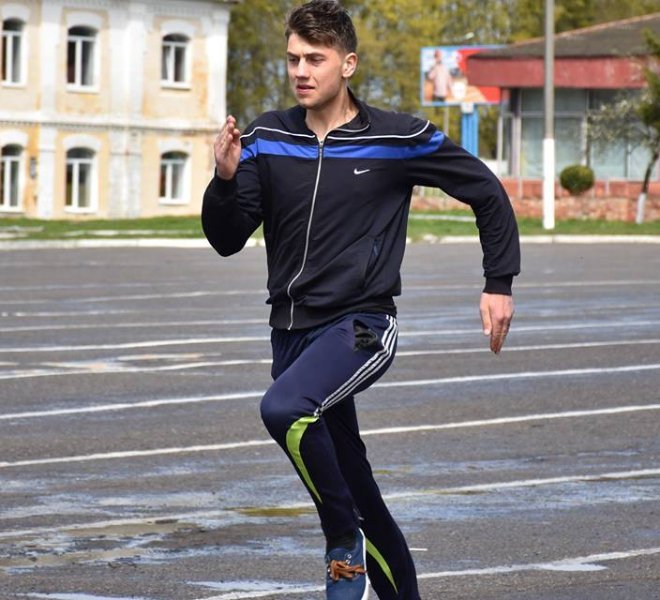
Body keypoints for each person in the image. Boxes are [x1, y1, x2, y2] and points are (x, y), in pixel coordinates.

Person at [202, 1, 520, 599]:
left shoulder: (397, 139)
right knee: (358, 490)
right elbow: (226, 239)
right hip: (291, 335)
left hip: (363, 326)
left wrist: (498, 283)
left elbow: (486, 191)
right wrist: (222, 179)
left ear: (347, 64)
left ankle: (339, 536)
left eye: (315, 59)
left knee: (284, 409)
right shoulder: (267, 138)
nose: (301, 71)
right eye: (293, 59)